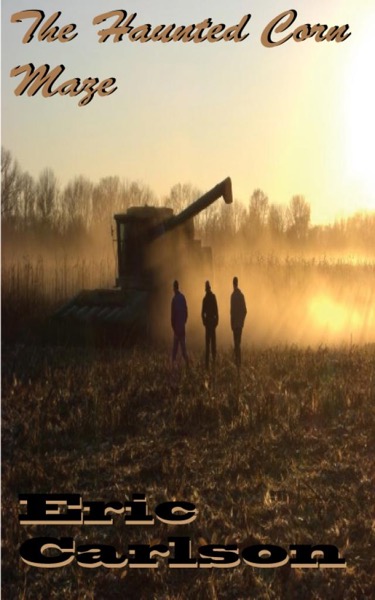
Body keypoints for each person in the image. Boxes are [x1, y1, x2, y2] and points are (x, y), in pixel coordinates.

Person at [201, 280, 219, 369]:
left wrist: (205, 322)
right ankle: (212, 364)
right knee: (212, 345)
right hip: (211, 323)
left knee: (208, 345)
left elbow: (202, 313)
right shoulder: (212, 297)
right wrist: (216, 322)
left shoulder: (206, 298)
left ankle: (208, 365)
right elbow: (216, 311)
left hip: (209, 323)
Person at [230, 276, 247, 367]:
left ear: (233, 284)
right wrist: (242, 321)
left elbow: (231, 312)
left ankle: (237, 362)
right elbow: (245, 311)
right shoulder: (241, 296)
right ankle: (238, 362)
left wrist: (232, 324)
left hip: (235, 324)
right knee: (238, 343)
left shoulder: (232, 296)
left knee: (236, 343)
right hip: (239, 324)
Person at [171, 280, 189, 365]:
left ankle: (172, 366)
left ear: (174, 288)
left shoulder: (174, 299)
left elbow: (172, 315)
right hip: (182, 328)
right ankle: (188, 364)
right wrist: (183, 322)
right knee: (183, 349)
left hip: (177, 329)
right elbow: (186, 312)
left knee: (175, 350)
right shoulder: (183, 297)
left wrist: (173, 327)